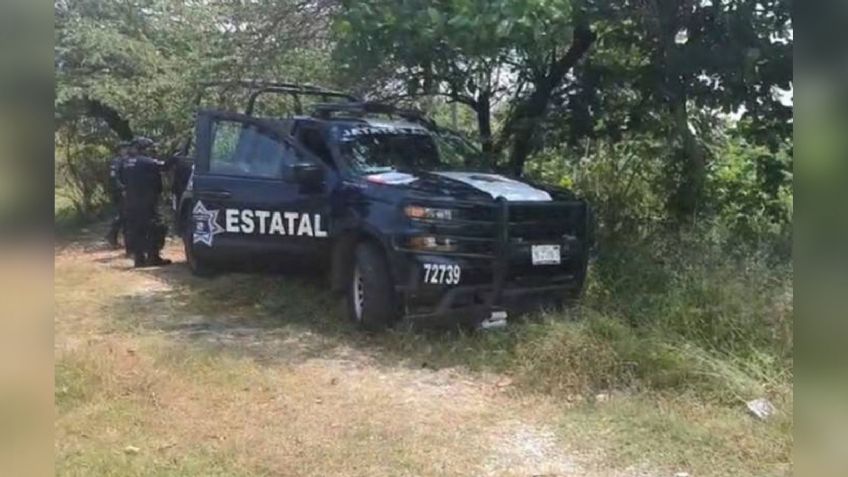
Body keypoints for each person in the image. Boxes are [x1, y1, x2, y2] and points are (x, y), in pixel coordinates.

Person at [120, 137, 173, 267]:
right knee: (157, 227)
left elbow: (122, 180)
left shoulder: (125, 162)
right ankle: (153, 256)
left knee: (136, 229)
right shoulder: (148, 162)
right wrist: (175, 158)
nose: (152, 150)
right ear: (144, 149)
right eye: (150, 148)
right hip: (147, 201)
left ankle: (139, 259)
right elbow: (164, 168)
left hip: (130, 201)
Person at [105, 141, 131, 249]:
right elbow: (114, 178)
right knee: (122, 215)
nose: (126, 150)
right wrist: (122, 189)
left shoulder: (127, 160)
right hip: (119, 192)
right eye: (124, 148)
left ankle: (115, 237)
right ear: (120, 150)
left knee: (125, 215)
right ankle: (112, 236)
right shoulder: (116, 161)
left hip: (126, 190)